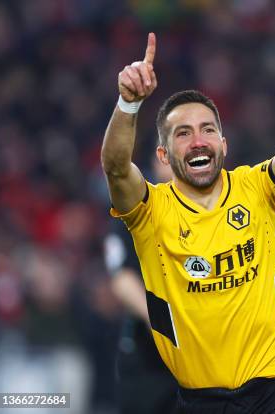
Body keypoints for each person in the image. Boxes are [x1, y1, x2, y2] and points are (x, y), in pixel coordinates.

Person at [101, 32, 275, 414]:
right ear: (163, 156)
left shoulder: (257, 188)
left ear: (224, 144)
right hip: (200, 400)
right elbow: (116, 168)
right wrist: (128, 105)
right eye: (184, 134)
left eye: (208, 129)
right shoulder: (150, 211)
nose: (198, 141)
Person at [103, 158, 178, 414]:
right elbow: (121, 277)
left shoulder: (213, 208)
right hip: (149, 357)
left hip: (208, 352)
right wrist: (158, 317)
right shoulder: (134, 208)